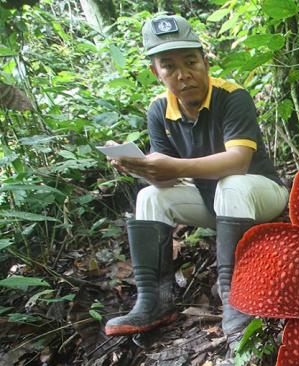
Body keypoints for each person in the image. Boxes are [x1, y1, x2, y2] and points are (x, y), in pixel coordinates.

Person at [104, 15, 288, 345]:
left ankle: (236, 299)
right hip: (213, 203)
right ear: (155, 72)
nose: (183, 74)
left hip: (261, 194)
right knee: (148, 197)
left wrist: (174, 167)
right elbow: (167, 180)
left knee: (231, 182)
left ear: (205, 60)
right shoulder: (159, 111)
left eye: (190, 62)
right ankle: (154, 301)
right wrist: (142, 169)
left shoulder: (232, 97)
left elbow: (239, 160)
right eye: (169, 66)